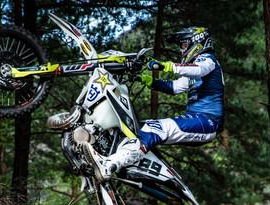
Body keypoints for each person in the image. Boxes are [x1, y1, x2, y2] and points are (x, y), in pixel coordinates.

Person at [85, 27, 224, 181]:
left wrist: (166, 66)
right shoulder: (196, 68)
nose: (182, 50)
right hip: (198, 119)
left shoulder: (208, 60)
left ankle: (109, 166)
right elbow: (175, 87)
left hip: (208, 121)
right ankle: (121, 161)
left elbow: (200, 69)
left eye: (184, 45)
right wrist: (147, 80)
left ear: (197, 43)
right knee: (138, 128)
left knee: (155, 129)